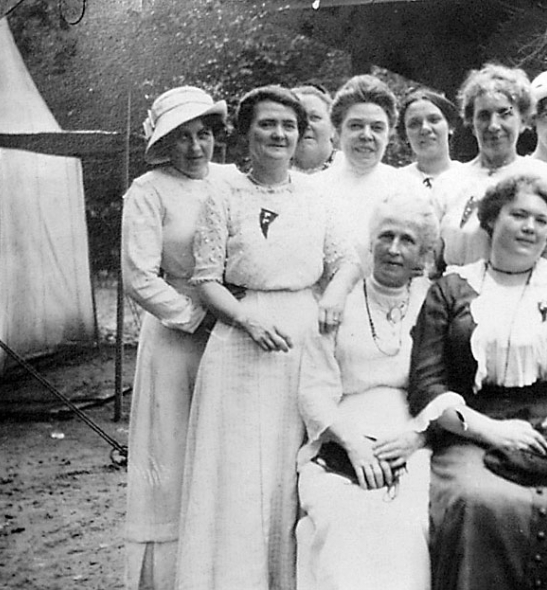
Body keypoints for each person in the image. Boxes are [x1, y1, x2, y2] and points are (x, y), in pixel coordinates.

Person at [176, 85, 359, 590]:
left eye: (288, 126)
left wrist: (333, 297)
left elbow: (347, 262)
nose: (279, 134)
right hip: (241, 338)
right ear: (245, 134)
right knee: (236, 471)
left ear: (301, 135)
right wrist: (248, 320)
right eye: (266, 124)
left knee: (289, 463)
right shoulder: (224, 193)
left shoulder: (319, 194)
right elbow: (207, 278)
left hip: (304, 336)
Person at [409, 173, 547, 590]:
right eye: (518, 215)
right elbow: (427, 385)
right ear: (490, 219)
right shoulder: (451, 290)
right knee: (478, 502)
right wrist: (492, 432)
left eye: (540, 220)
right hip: (473, 429)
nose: (530, 227)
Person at [296, 190, 440, 590]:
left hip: (415, 441)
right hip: (341, 438)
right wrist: (353, 444)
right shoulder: (336, 304)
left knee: (408, 523)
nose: (394, 249)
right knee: (344, 520)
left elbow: (448, 386)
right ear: (371, 241)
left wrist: (419, 437)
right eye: (386, 236)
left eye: (407, 240)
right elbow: (314, 392)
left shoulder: (436, 304)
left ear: (423, 253)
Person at [120, 86, 231, 590]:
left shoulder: (232, 182)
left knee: (221, 452)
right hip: (175, 336)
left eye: (202, 134)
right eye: (182, 138)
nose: (194, 147)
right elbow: (139, 276)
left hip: (233, 330)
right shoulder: (149, 190)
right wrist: (197, 317)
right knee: (170, 455)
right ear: (165, 143)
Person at [432, 63, 547, 270]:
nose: (493, 125)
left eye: (505, 113)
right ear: (471, 123)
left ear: (522, 120)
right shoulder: (448, 182)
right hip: (456, 293)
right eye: (484, 115)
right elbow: (431, 255)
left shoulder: (542, 175)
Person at [314, 75, 423, 267]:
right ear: (338, 131)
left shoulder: (410, 187)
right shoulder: (313, 189)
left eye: (377, 127)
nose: (366, 135)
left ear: (389, 135)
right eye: (356, 126)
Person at [398, 88, 461, 191]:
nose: (425, 128)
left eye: (434, 120)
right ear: (405, 135)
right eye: (414, 124)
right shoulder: (395, 183)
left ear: (450, 126)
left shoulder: (471, 178)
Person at [292, 84, 337, 174]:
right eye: (298, 118)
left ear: (333, 127)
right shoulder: (269, 173)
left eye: (314, 117)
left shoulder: (355, 170)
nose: (306, 125)